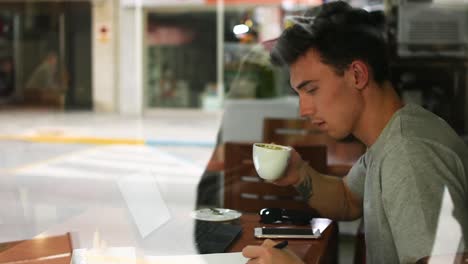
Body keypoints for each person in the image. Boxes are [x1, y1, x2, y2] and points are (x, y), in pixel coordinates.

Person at [242, 1, 468, 264]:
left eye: (312, 89)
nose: (303, 109)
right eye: (299, 94)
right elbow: (348, 200)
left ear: (357, 75)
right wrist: (299, 173)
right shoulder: (392, 135)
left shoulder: (409, 154)